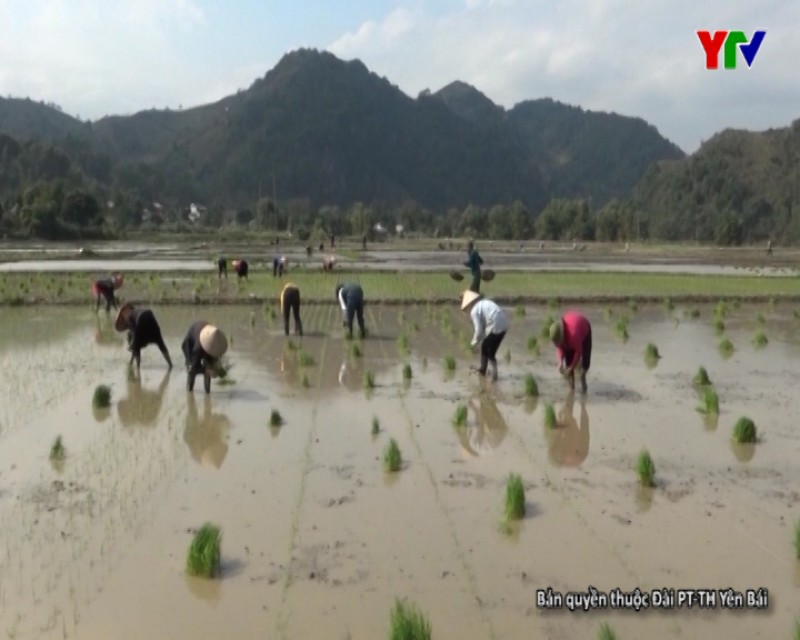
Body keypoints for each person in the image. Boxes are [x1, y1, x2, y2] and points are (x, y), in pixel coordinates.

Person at [460, 290, 508, 381]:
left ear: (469, 304)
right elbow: (482, 330)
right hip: (504, 324)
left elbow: (478, 329)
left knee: (485, 347)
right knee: (490, 351)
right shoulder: (483, 303)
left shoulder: (474, 310)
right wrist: (478, 339)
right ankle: (491, 373)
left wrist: (473, 343)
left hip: (495, 324)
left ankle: (484, 371)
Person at [115, 303, 173, 372]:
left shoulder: (130, 316)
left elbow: (134, 340)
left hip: (141, 319)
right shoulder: (136, 311)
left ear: (125, 312)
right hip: (150, 315)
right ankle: (170, 364)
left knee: (137, 346)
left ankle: (138, 369)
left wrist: (131, 354)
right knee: (160, 342)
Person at [549, 311, 592, 393]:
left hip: (584, 328)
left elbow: (578, 352)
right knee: (568, 364)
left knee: (585, 362)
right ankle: (571, 389)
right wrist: (560, 363)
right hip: (571, 333)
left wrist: (572, 367)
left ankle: (583, 376)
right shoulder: (558, 335)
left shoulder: (573, 335)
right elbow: (560, 348)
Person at [181, 321, 229, 393]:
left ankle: (207, 390)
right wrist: (206, 370)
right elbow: (193, 367)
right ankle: (190, 388)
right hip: (190, 344)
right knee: (192, 369)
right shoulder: (197, 349)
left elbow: (216, 363)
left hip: (204, 335)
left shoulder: (215, 339)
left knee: (209, 366)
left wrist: (214, 369)